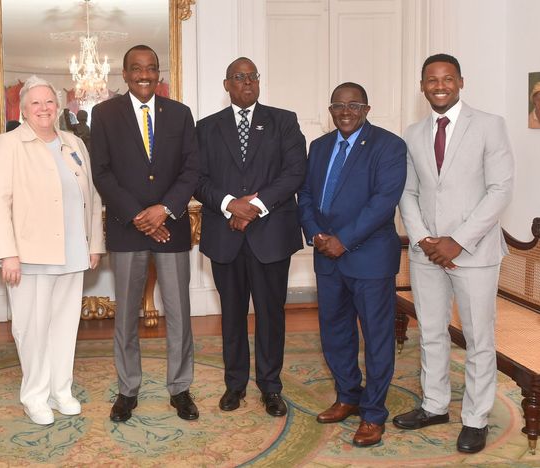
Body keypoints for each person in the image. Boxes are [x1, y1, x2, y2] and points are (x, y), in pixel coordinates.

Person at [395, 53, 514, 454]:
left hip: (475, 252)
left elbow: (500, 190)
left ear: (461, 82)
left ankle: (476, 418)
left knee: (479, 337)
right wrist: (424, 239)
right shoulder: (412, 133)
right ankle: (434, 405)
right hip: (426, 253)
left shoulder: (489, 126)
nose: (439, 85)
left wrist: (457, 241)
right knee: (430, 332)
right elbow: (407, 192)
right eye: (431, 79)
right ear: (422, 85)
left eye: (447, 78)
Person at [90, 44, 200, 422]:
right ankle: (127, 390)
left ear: (159, 73)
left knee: (180, 313)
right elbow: (101, 172)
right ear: (124, 74)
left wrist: (163, 210)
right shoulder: (103, 114)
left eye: (151, 68)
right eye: (136, 68)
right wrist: (138, 214)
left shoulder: (180, 114)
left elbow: (192, 169)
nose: (144, 74)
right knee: (125, 317)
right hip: (128, 228)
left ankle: (180, 389)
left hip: (171, 227)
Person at [0, 76, 104, 425]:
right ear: (23, 110)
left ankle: (61, 390)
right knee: (32, 329)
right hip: (29, 257)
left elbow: (92, 197)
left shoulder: (73, 143)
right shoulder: (9, 144)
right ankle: (35, 396)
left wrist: (94, 243)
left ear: (59, 107)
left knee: (65, 328)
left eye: (49, 102)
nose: (43, 109)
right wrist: (8, 253)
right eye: (35, 103)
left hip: (72, 254)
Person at [195, 57, 306, 418]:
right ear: (226, 84)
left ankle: (271, 387)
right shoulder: (206, 127)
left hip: (270, 234)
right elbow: (196, 178)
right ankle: (235, 385)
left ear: (259, 82)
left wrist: (254, 206)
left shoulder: (283, 122)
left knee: (271, 314)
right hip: (225, 235)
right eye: (239, 78)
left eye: (252, 77)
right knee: (232, 315)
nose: (247, 83)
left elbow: (295, 173)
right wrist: (230, 205)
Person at [297, 82, 407, 446]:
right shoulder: (320, 146)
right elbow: (307, 196)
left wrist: (344, 240)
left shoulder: (389, 146)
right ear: (330, 110)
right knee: (335, 333)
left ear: (366, 109)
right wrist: (315, 234)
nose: (346, 111)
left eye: (354, 105)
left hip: (369, 258)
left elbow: (383, 202)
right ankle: (348, 396)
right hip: (326, 256)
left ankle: (374, 413)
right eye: (338, 105)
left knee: (376, 339)